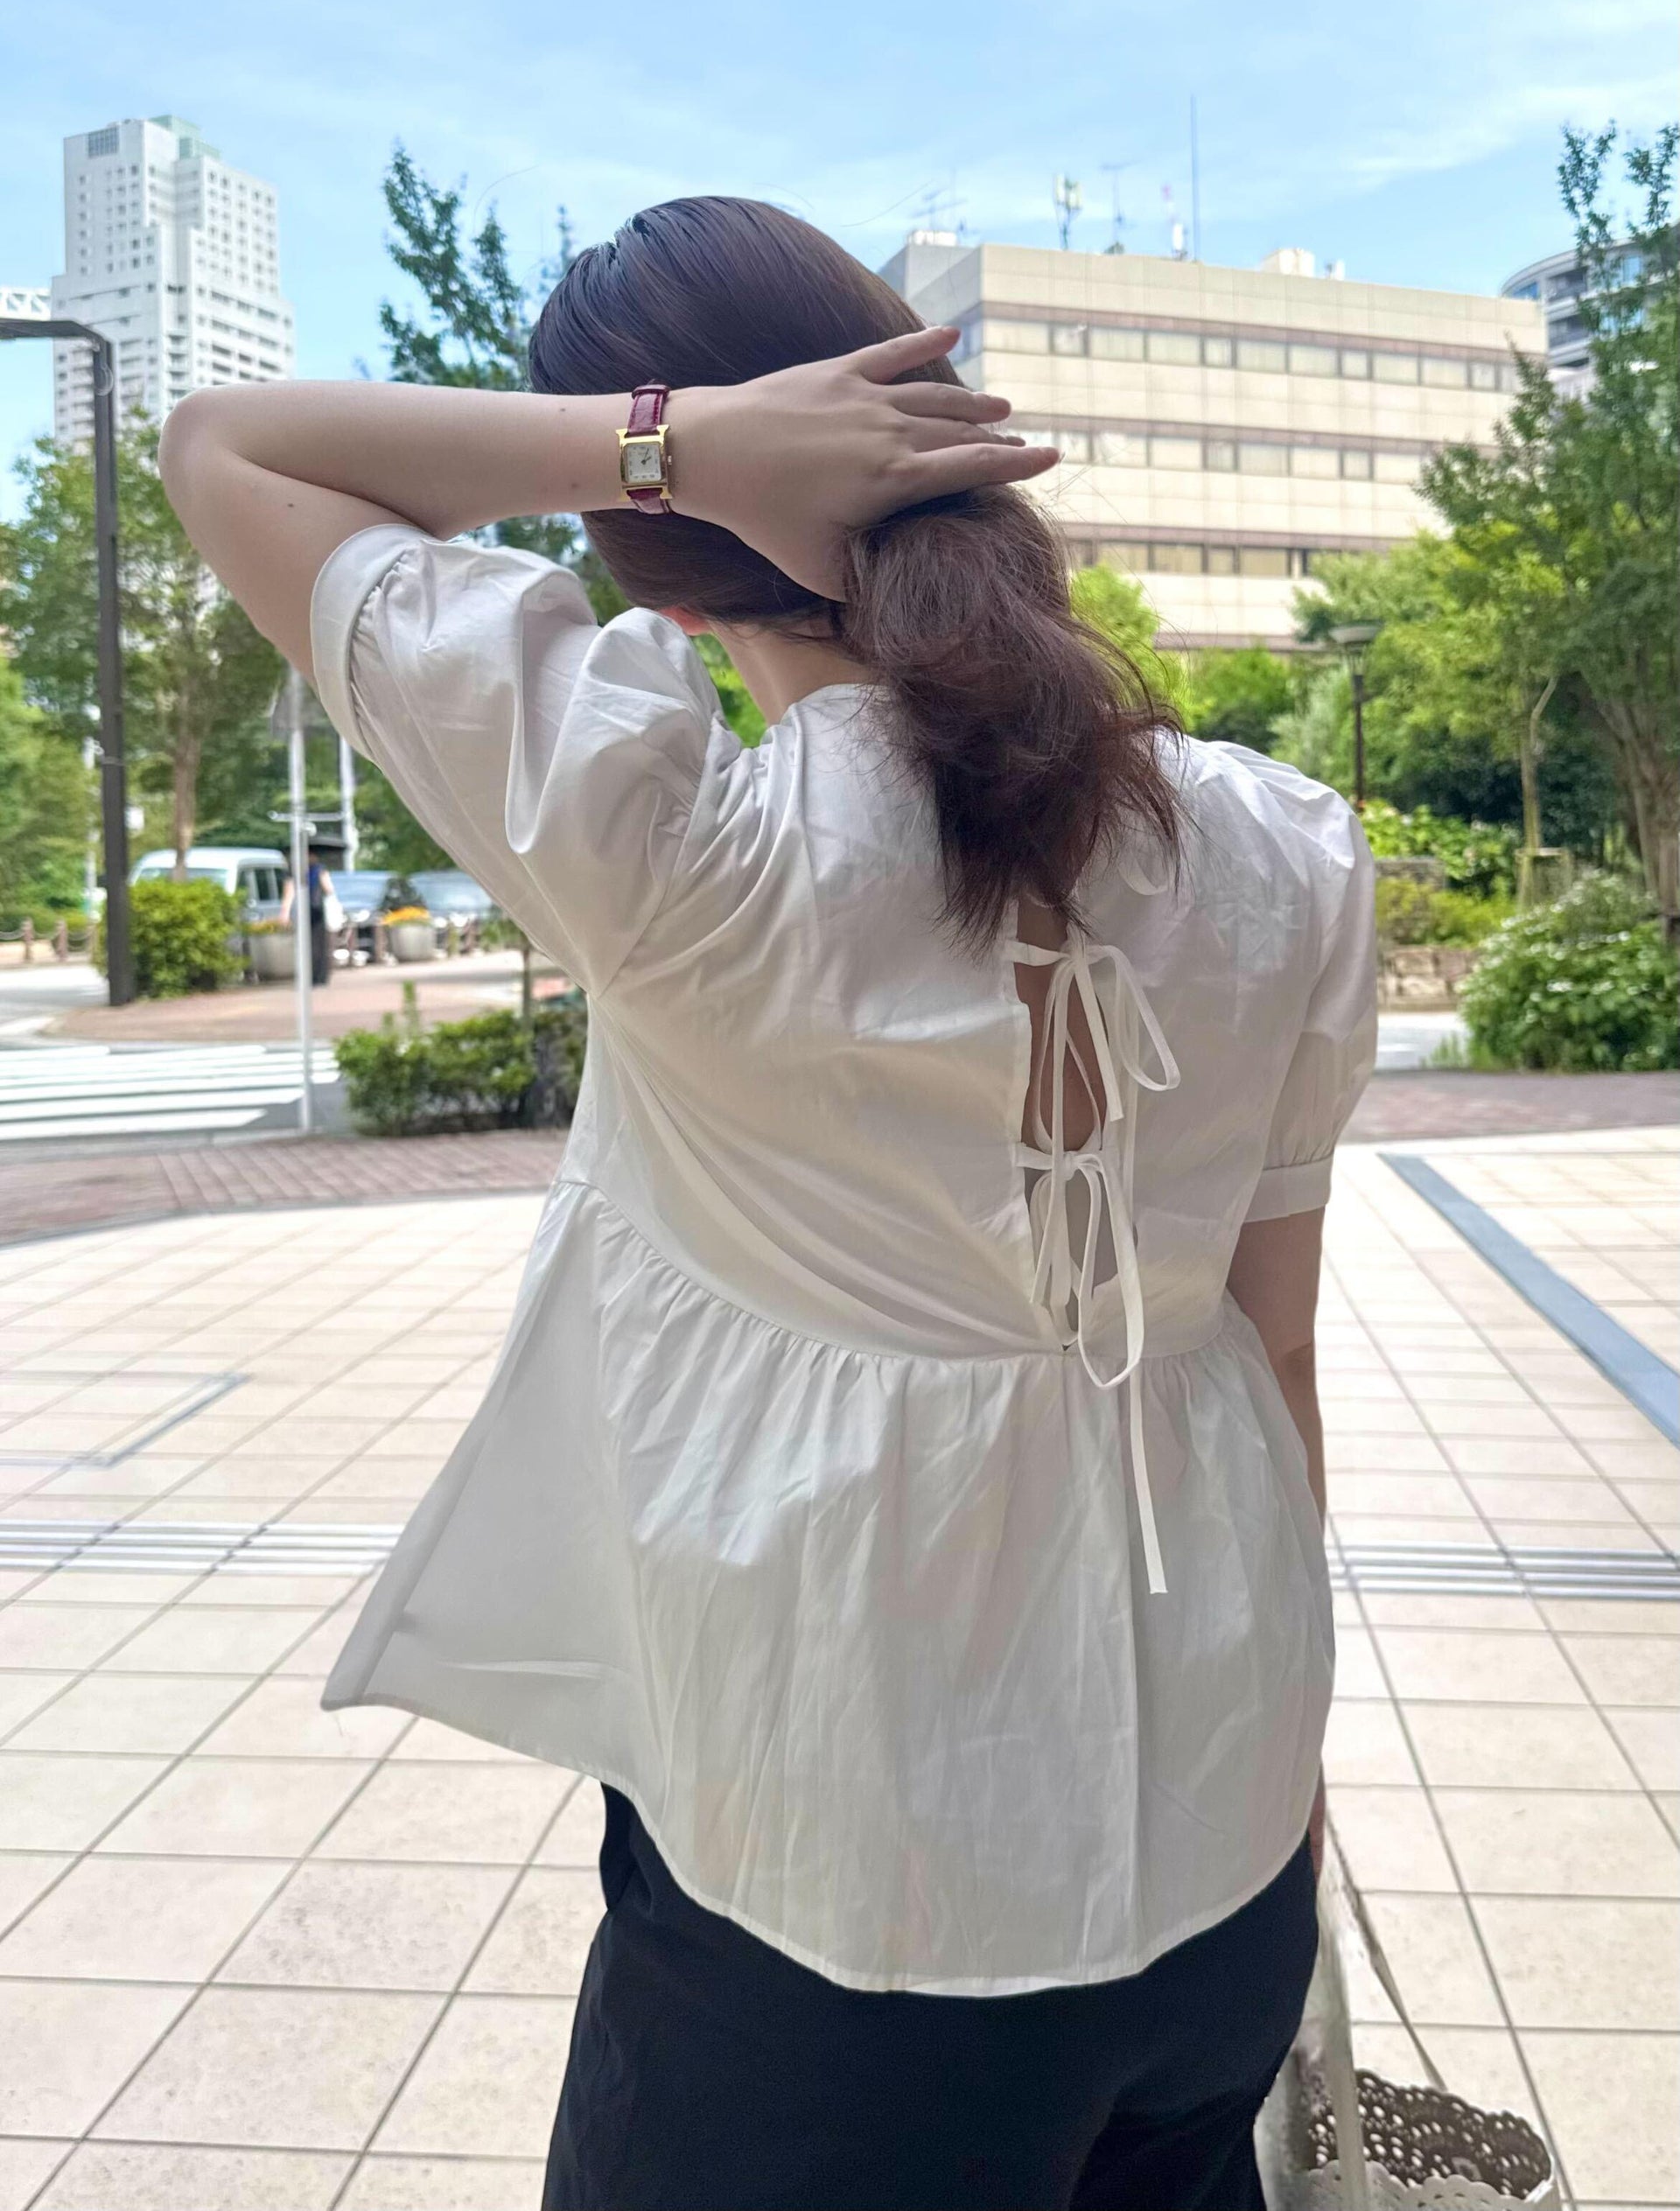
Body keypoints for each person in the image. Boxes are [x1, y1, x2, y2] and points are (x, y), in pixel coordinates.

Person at [159, 196, 1376, 2211]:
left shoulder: (670, 845)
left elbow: (226, 448)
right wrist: (1284, 1767)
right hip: (1223, 1843)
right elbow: (1279, 1345)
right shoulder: (1280, 845)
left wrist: (667, 443)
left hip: (841, 1891)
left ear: (651, 535)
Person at [279, 848, 339, 985]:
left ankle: (308, 976)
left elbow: (289, 894)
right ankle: (319, 976)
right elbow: (329, 889)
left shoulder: (294, 872)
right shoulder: (320, 870)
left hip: (303, 912)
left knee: (304, 944)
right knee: (319, 944)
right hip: (316, 911)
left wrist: (285, 913)